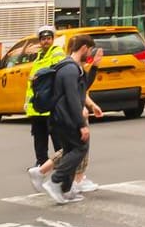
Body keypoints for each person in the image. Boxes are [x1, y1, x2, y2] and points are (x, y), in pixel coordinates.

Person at [28, 34, 100, 206]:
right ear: (83, 48)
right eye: (89, 50)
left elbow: (81, 89)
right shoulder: (69, 69)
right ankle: (55, 182)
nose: (89, 54)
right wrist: (81, 124)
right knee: (80, 148)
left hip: (61, 117)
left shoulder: (72, 68)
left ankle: (65, 189)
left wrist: (95, 67)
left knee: (69, 151)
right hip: (65, 117)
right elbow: (73, 98)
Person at [25, 27, 64, 168]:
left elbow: (58, 73)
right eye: (43, 39)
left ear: (53, 39)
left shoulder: (57, 53)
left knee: (57, 135)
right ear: (39, 41)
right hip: (37, 106)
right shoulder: (39, 56)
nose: (46, 41)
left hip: (50, 104)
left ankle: (62, 161)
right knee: (39, 136)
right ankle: (41, 162)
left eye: (48, 38)